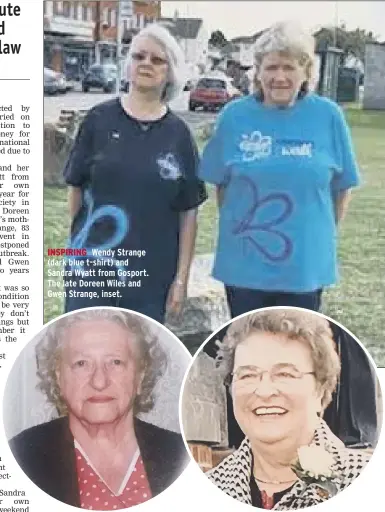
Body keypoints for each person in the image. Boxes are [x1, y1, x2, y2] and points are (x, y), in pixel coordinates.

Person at [199, 21, 360, 317]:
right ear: (258, 72)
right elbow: (222, 186)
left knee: (296, 350)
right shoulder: (234, 116)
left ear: (306, 71)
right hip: (244, 266)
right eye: (271, 67)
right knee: (248, 346)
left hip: (304, 267)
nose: (280, 77)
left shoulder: (328, 116)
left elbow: (342, 187)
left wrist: (313, 235)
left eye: (289, 67)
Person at [63, 23, 207, 323]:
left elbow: (189, 213)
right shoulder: (98, 120)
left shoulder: (179, 136)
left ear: (170, 72)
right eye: (139, 56)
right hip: (92, 270)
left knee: (138, 358)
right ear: (127, 64)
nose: (146, 64)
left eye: (157, 60)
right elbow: (75, 191)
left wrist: (180, 280)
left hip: (152, 277)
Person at [9, 309, 188, 510]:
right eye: (81, 364)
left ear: (139, 376)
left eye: (116, 362)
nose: (99, 381)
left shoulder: (180, 453)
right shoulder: (22, 455)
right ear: (59, 377)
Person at [202, 309, 373, 509]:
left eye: (285, 374)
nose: (264, 391)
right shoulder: (209, 487)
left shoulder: (366, 480)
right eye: (247, 375)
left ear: (320, 389)